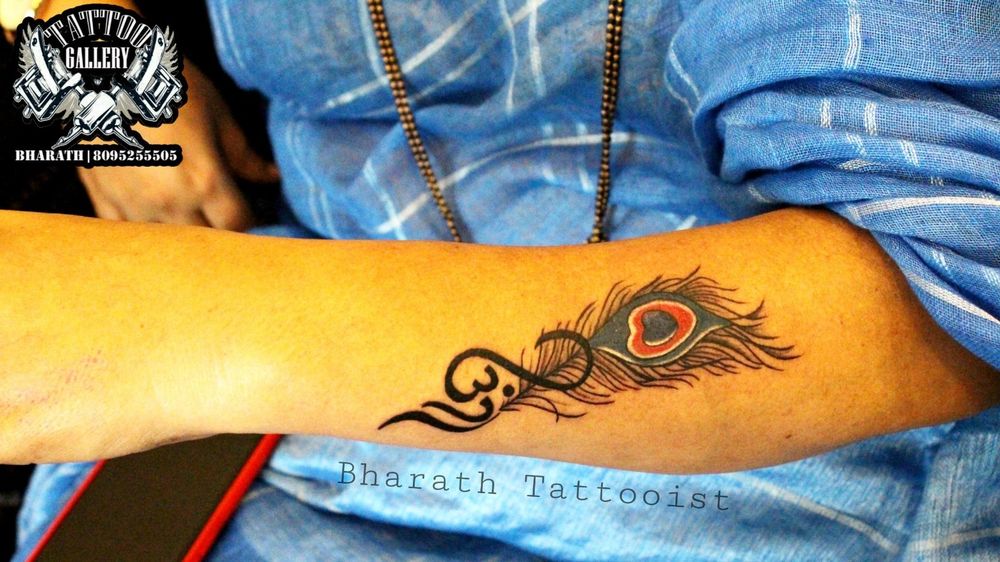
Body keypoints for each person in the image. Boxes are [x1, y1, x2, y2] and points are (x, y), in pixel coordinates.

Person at [5, 0, 999, 560]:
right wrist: (86, 51)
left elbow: (947, 286)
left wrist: (197, 327)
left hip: (792, 476)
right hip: (265, 425)